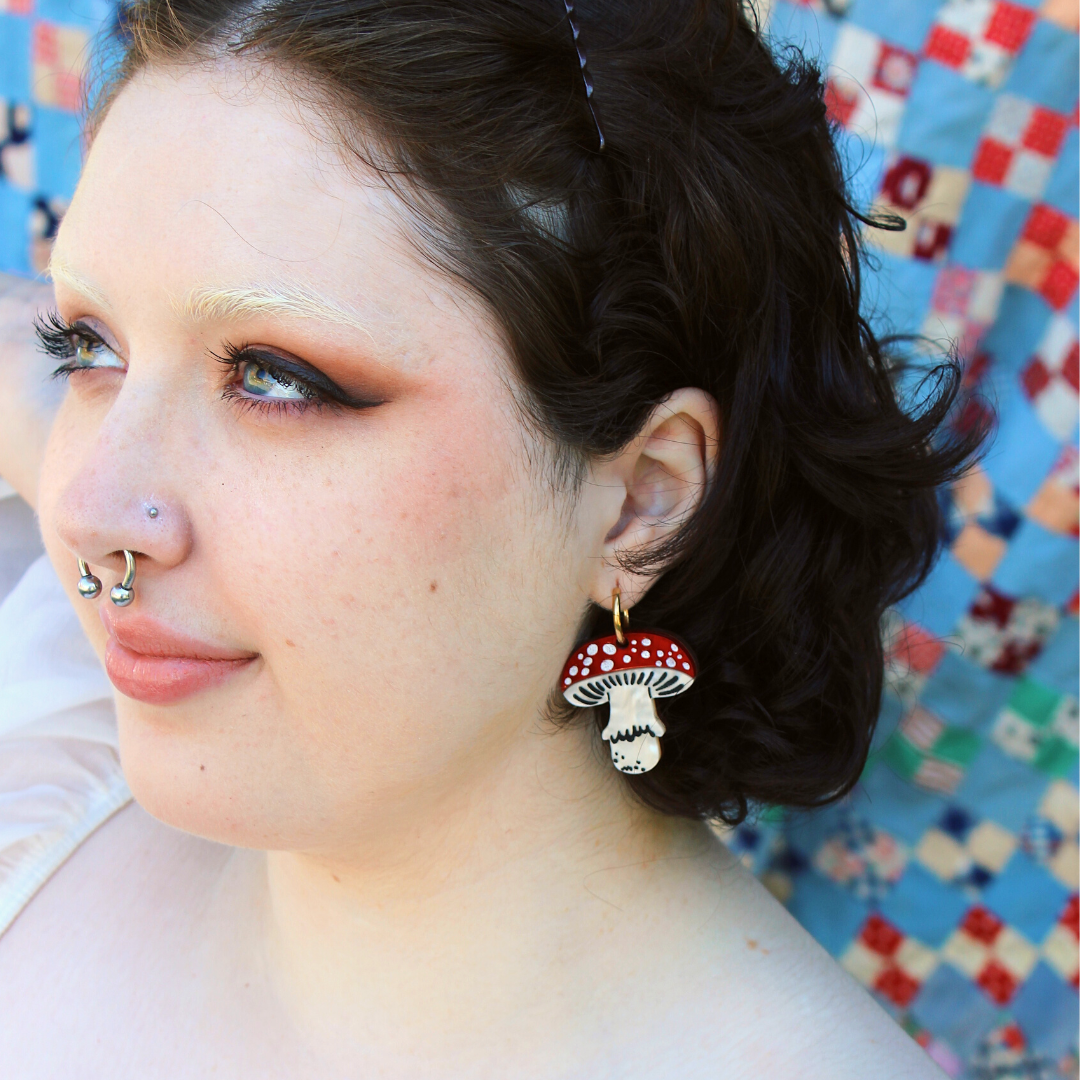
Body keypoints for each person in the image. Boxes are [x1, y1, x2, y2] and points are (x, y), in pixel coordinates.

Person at [0, 1, 981, 1074]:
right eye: (90, 346)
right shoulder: (50, 754)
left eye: (277, 379)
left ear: (642, 499)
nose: (89, 511)